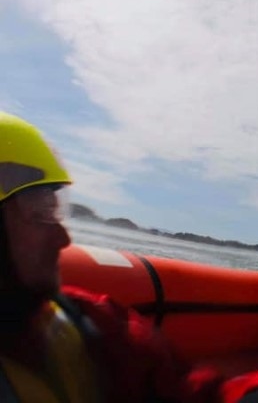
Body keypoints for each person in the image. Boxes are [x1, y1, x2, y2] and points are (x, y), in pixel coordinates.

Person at [0, 110, 222, 403]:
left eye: (56, 211)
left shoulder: (94, 321)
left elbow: (190, 391)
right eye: (40, 215)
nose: (63, 239)